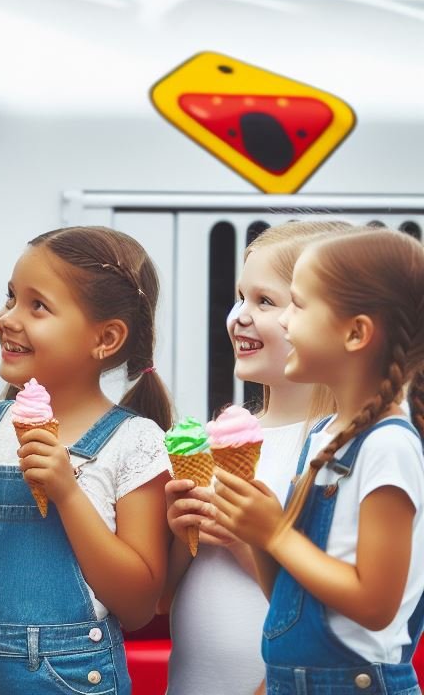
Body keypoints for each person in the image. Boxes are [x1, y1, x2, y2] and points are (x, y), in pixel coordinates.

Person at [0, 226, 173, 695]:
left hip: (69, 680)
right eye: (10, 298)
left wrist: (67, 491)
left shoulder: (135, 442)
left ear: (106, 338)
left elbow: (139, 602)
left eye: (37, 305)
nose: (8, 318)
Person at [211, 228, 424, 695]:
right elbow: (291, 599)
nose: (285, 323)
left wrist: (275, 532)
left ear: (356, 333)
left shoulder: (389, 446)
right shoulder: (325, 438)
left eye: (299, 307)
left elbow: (375, 603)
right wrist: (257, 536)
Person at [162, 221, 346, 695]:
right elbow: (162, 601)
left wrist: (250, 544)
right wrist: (185, 533)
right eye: (240, 297)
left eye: (265, 301)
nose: (239, 316)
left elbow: (343, 612)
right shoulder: (207, 440)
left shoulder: (344, 448)